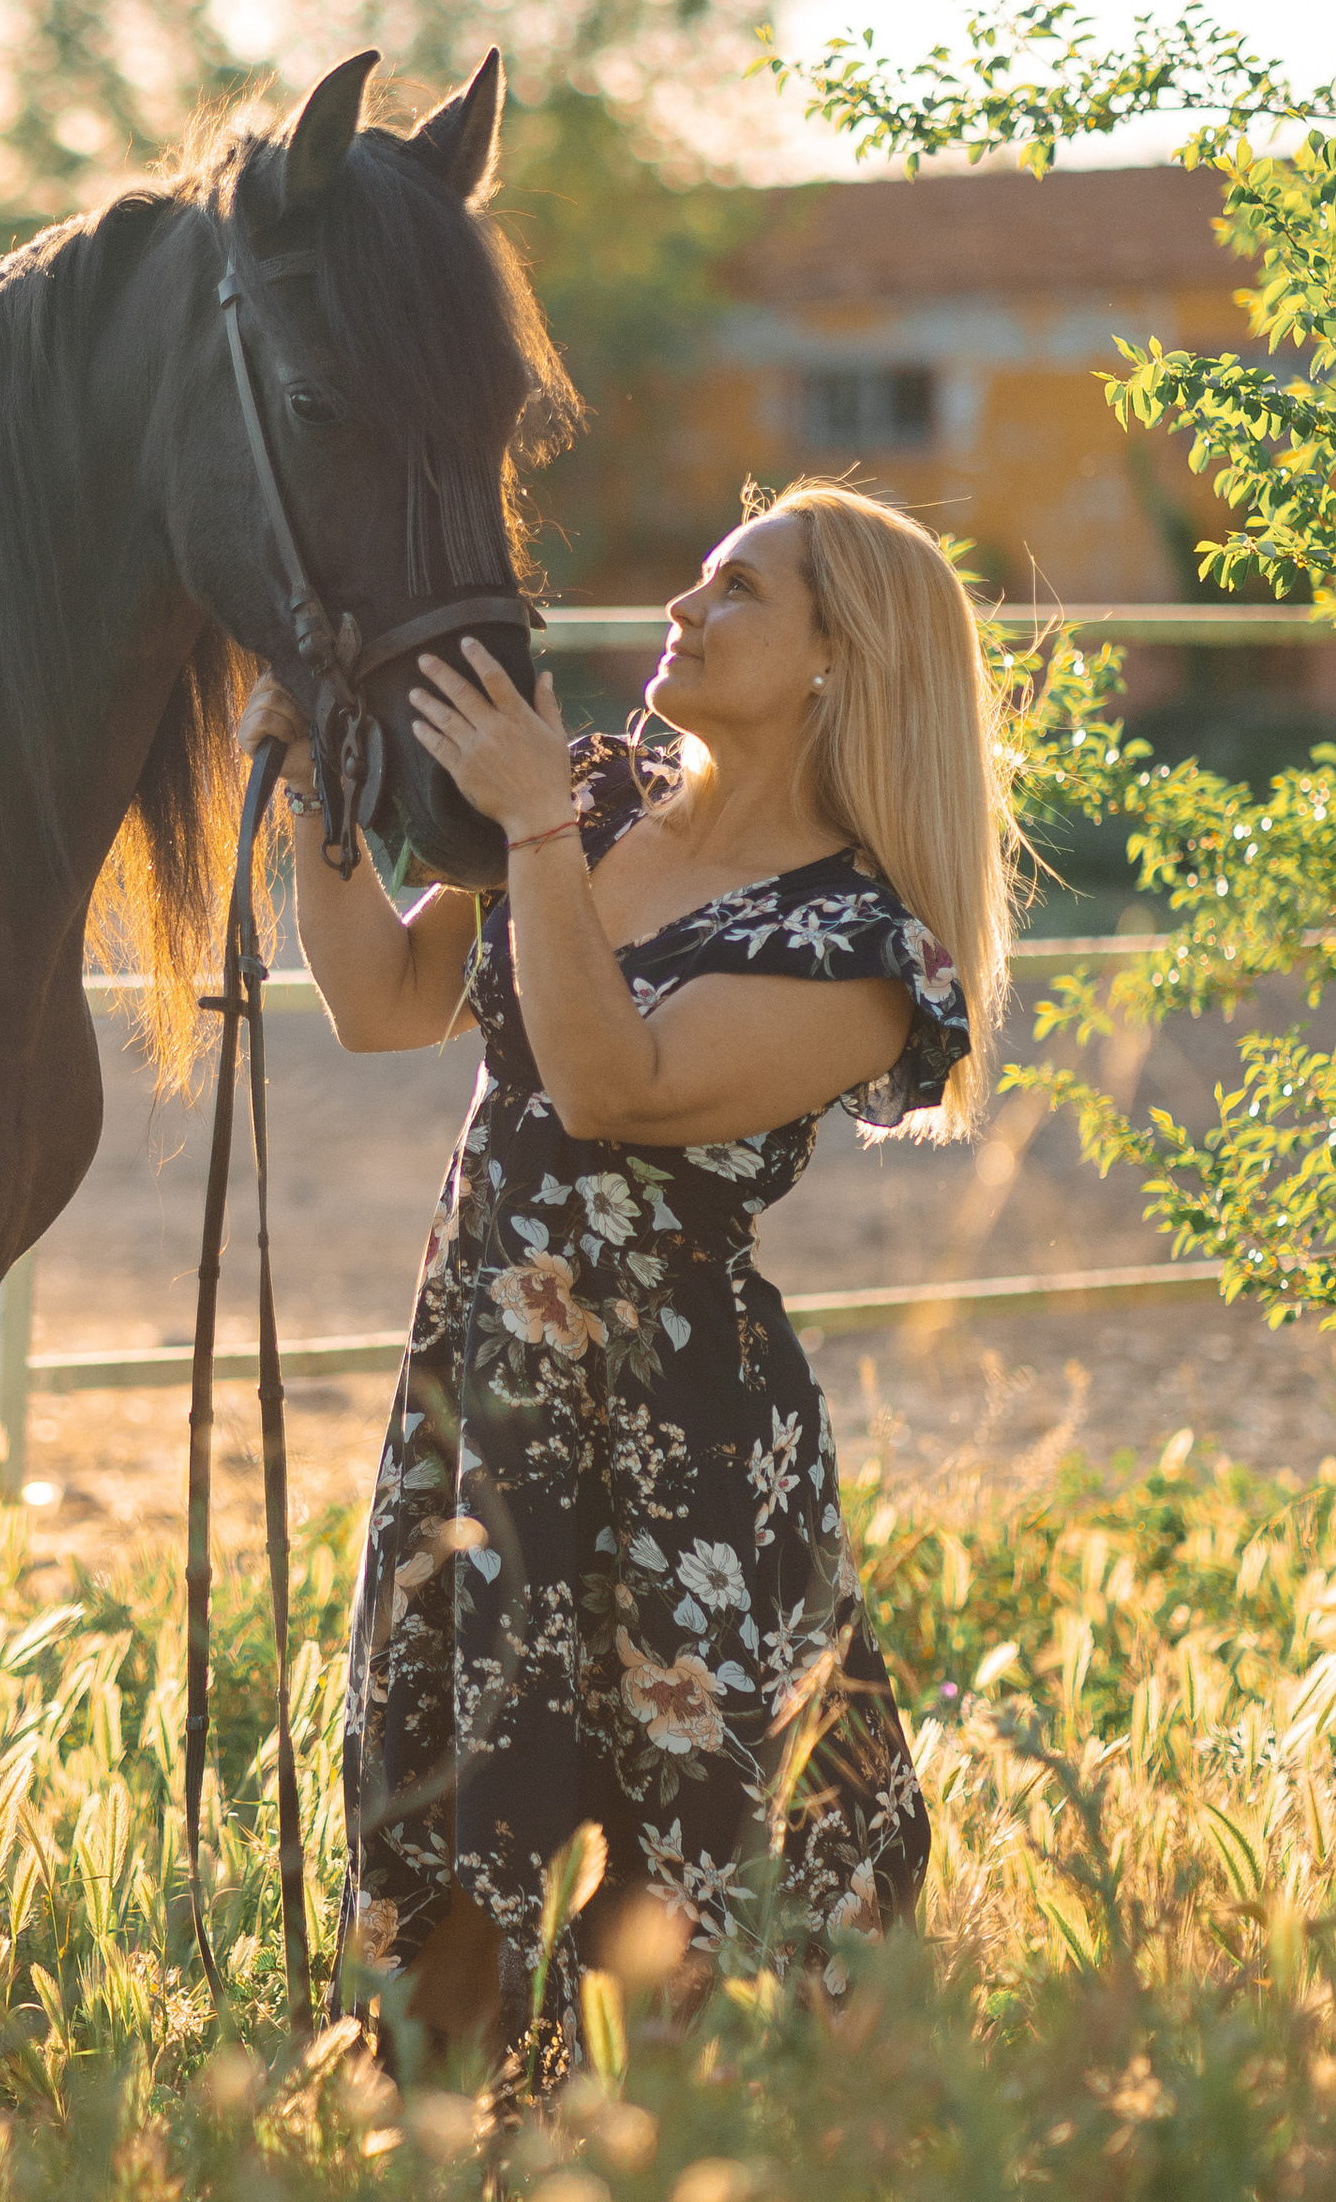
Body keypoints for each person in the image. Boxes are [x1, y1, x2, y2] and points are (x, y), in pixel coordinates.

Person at [238, 479, 1015, 2073]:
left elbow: (613, 1087)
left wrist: (530, 828)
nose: (681, 607)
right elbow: (384, 1003)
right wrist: (322, 791)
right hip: (485, 1394)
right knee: (456, 1785)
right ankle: (449, 2125)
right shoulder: (594, 804)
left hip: (675, 1440)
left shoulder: (859, 945)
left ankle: (678, 2134)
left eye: (738, 589)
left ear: (837, 657)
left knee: (678, 1840)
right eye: (700, 576)